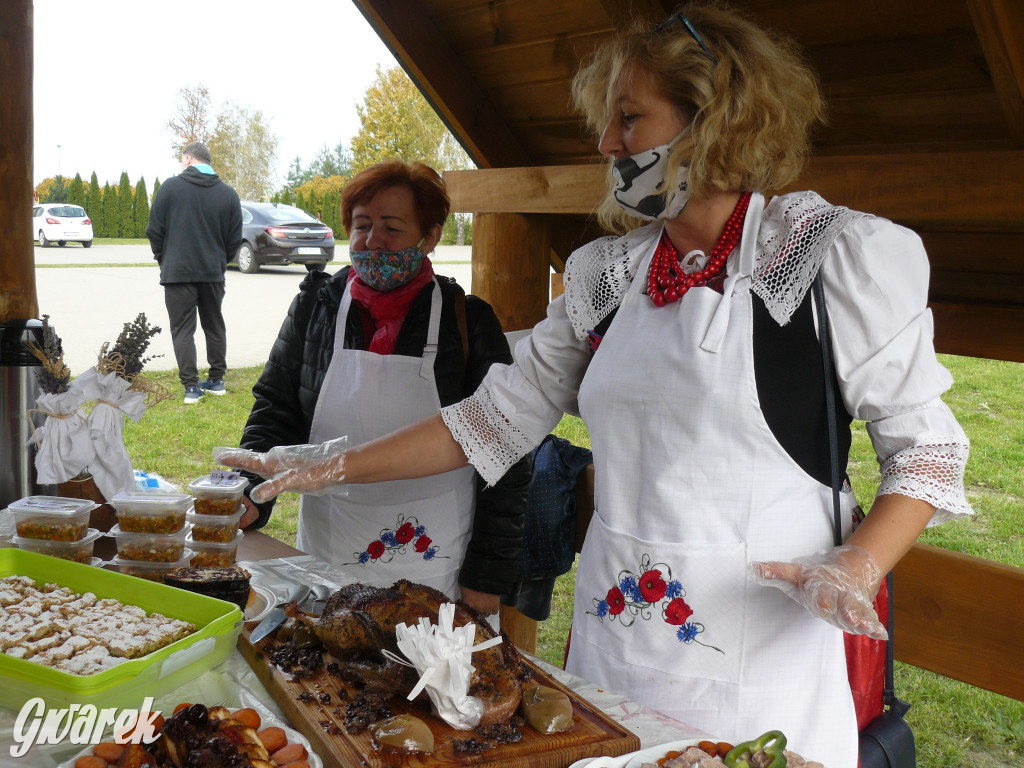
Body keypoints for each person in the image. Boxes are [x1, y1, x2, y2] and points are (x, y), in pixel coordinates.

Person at [215, 7, 973, 764]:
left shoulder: (830, 260)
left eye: (629, 117)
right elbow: (488, 422)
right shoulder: (606, 278)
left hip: (762, 663)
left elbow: (928, 452)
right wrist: (326, 464)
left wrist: (857, 563)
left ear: (716, 120)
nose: (608, 143)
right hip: (612, 648)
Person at [233, 160, 531, 616]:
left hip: (434, 560)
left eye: (392, 228)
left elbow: (506, 452)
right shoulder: (316, 306)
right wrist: (253, 488)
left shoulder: (467, 322)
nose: (373, 241)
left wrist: (488, 576)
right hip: (329, 548)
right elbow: (277, 408)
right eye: (362, 225)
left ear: (429, 237)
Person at [147, 141, 242, 404]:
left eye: (182, 160)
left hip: (177, 273)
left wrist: (164, 260)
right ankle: (217, 380)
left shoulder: (170, 188)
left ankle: (191, 387)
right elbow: (235, 240)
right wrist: (220, 262)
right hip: (213, 273)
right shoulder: (229, 194)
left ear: (188, 159)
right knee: (214, 325)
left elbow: (154, 230)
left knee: (182, 330)